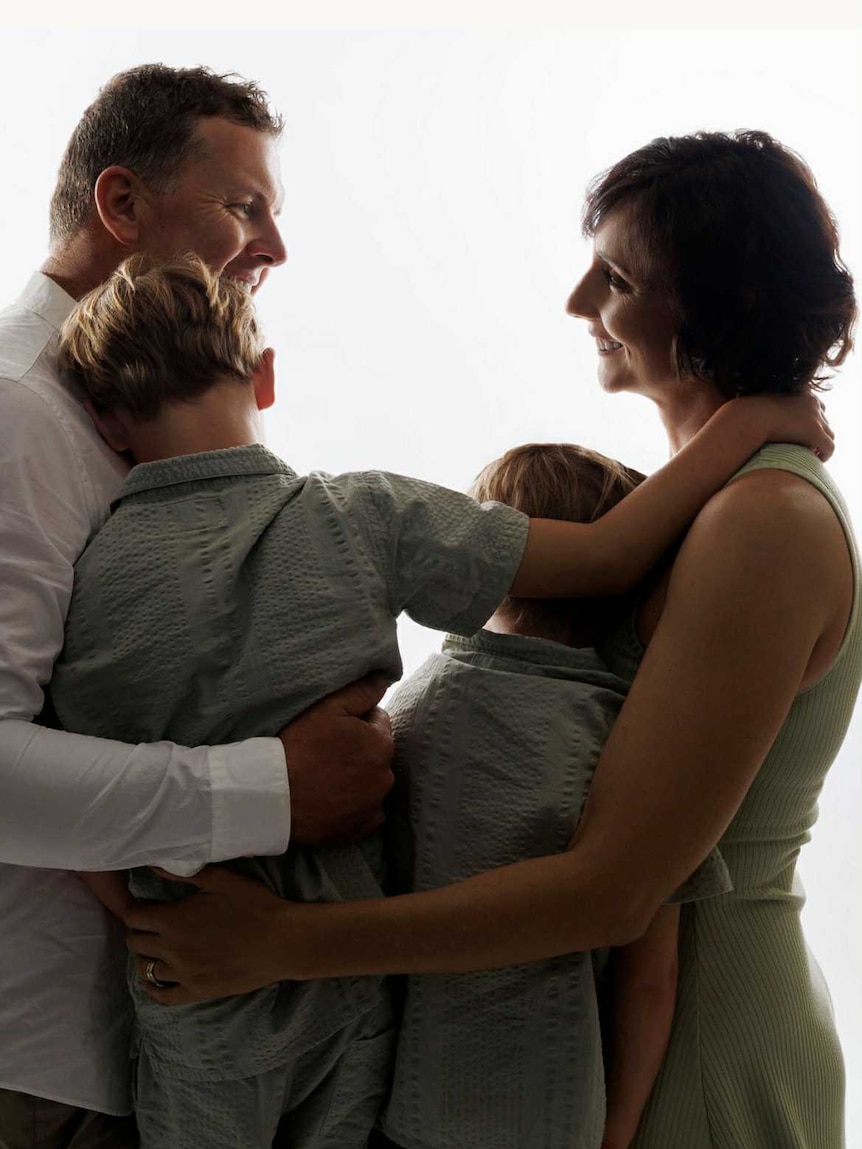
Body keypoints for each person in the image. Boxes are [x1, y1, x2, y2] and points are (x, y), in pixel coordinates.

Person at [128, 131, 860, 1149]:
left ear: (715, 305)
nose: (574, 303)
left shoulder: (764, 522)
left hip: (689, 1049)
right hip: (589, 1039)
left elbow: (614, 889)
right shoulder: (701, 504)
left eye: (613, 276)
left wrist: (282, 943)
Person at [0, 64, 395, 1149]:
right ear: (121, 204)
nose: (272, 248)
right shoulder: (16, 416)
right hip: (32, 1076)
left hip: (144, 1065)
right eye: (243, 207)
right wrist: (277, 787)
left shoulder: (128, 423)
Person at [378, 442, 695, 1149]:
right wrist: (618, 1132)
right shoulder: (627, 737)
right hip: (553, 1109)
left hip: (406, 1096)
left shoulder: (405, 713)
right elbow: (651, 975)